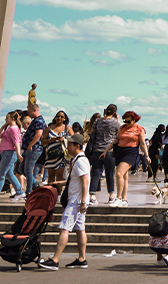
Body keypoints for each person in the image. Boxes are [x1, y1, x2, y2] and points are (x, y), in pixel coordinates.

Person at [39, 133, 90, 270]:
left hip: (76, 201)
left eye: (70, 144)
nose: (67, 147)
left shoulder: (80, 161)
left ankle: (55, 260)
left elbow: (85, 181)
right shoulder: (77, 160)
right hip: (78, 200)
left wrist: (83, 201)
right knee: (80, 229)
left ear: (77, 146)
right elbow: (74, 180)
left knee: (64, 228)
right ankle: (82, 259)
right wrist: (57, 183)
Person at [110, 111, 148, 208]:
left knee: (119, 173)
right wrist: (106, 150)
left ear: (134, 120)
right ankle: (124, 199)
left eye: (129, 121)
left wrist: (147, 156)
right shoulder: (122, 128)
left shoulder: (139, 129)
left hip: (131, 151)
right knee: (124, 176)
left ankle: (118, 198)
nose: (126, 123)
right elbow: (116, 140)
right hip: (120, 150)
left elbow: (142, 143)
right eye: (125, 121)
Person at [86, 104, 120, 206]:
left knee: (95, 172)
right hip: (109, 150)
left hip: (96, 149)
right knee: (110, 173)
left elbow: (93, 132)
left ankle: (92, 195)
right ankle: (111, 195)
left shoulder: (98, 121)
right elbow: (120, 131)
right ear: (114, 112)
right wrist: (117, 119)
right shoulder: (114, 123)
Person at [0, 109, 25, 202]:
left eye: (7, 118)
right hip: (5, 152)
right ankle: (19, 191)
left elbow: (17, 142)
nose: (5, 119)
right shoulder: (9, 128)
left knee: (1, 174)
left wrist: (18, 154)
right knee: (9, 174)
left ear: (12, 118)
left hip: (9, 153)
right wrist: (3, 126)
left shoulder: (14, 128)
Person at [21, 104, 46, 192]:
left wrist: (30, 145)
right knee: (23, 169)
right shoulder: (35, 120)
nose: (28, 113)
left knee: (28, 170)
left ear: (34, 110)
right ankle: (34, 184)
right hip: (30, 148)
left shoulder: (39, 120)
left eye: (29, 111)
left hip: (34, 148)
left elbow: (38, 134)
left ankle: (29, 190)